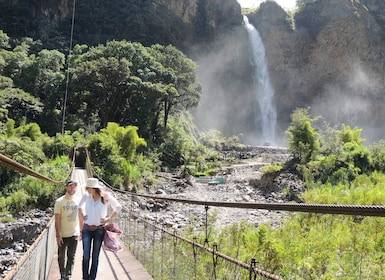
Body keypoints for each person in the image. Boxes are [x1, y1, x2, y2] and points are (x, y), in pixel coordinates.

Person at [78, 177, 122, 280]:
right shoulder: (86, 196)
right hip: (86, 229)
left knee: (95, 256)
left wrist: (108, 219)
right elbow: (79, 206)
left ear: (92, 188)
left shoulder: (105, 197)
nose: (86, 190)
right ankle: (85, 277)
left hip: (99, 230)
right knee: (86, 255)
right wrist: (83, 214)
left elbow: (118, 207)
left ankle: (92, 278)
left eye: (87, 188)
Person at [54, 180, 80, 280]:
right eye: (70, 186)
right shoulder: (59, 202)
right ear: (66, 187)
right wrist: (58, 235)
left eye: (74, 187)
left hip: (74, 233)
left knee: (71, 256)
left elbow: (81, 215)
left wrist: (81, 231)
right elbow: (57, 220)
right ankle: (62, 274)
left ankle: (68, 276)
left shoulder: (78, 200)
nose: (72, 188)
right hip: (63, 234)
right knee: (61, 256)